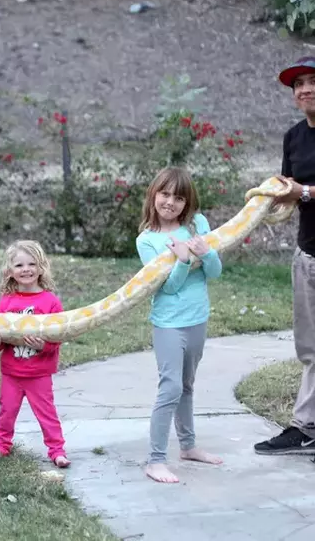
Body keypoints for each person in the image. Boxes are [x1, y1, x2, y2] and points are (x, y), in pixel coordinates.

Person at [135, 166, 224, 483]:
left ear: (188, 202)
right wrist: (184, 262)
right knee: (170, 388)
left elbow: (214, 272)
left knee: (187, 385)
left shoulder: (197, 224)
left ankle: (188, 446)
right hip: (169, 324)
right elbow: (167, 288)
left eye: (178, 197)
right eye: (165, 194)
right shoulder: (147, 241)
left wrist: (206, 253)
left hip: (197, 318)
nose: (170, 202)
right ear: (154, 195)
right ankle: (155, 460)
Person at [253, 57, 315, 457]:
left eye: (312, 81)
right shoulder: (293, 137)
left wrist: (304, 193)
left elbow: (302, 192)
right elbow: (288, 190)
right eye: (298, 85)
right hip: (308, 253)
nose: (305, 89)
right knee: (310, 348)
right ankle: (306, 428)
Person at [0, 240, 70, 468]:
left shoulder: (50, 302)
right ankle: (2, 445)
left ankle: (57, 450)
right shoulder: (7, 302)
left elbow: (58, 337)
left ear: (41, 267)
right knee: (6, 411)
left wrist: (43, 347)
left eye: (32, 264)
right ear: (10, 271)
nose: (26, 269)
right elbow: (0, 341)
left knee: (46, 413)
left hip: (39, 373)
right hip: (12, 371)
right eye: (19, 265)